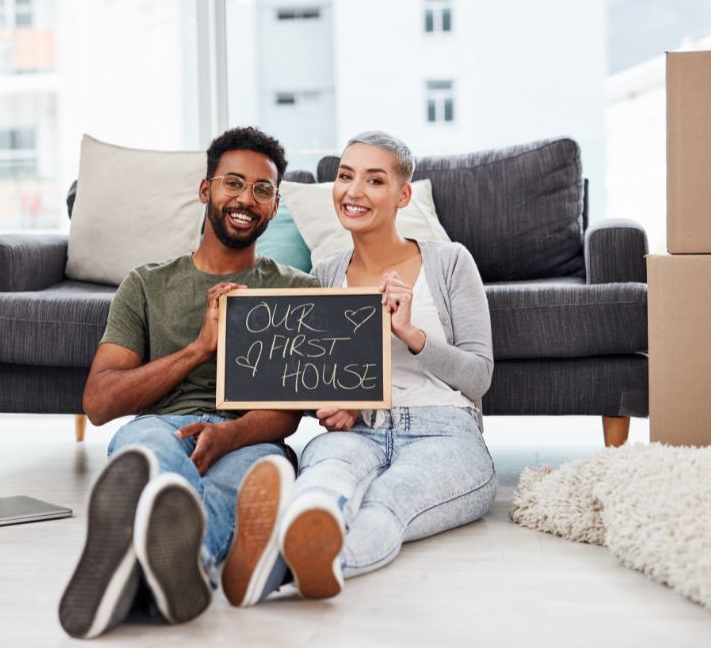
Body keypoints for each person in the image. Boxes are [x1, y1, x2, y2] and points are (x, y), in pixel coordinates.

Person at [57, 127, 318, 639]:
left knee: (255, 479)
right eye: (233, 184)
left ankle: (147, 566)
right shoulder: (147, 284)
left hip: (249, 436)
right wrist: (200, 347)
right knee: (150, 456)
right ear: (206, 191)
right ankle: (179, 566)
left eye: (262, 190)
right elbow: (100, 401)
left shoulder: (296, 289)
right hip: (162, 427)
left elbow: (290, 412)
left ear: (274, 205)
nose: (246, 199)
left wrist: (228, 435)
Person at [223, 131, 497, 607]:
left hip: (444, 431)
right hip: (358, 432)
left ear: (403, 195)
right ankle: (279, 548)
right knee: (323, 484)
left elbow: (479, 377)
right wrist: (332, 404)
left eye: (374, 180)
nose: (353, 192)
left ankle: (285, 568)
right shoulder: (326, 273)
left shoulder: (450, 262)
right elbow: (314, 377)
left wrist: (412, 336)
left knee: (385, 504)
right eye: (346, 176)